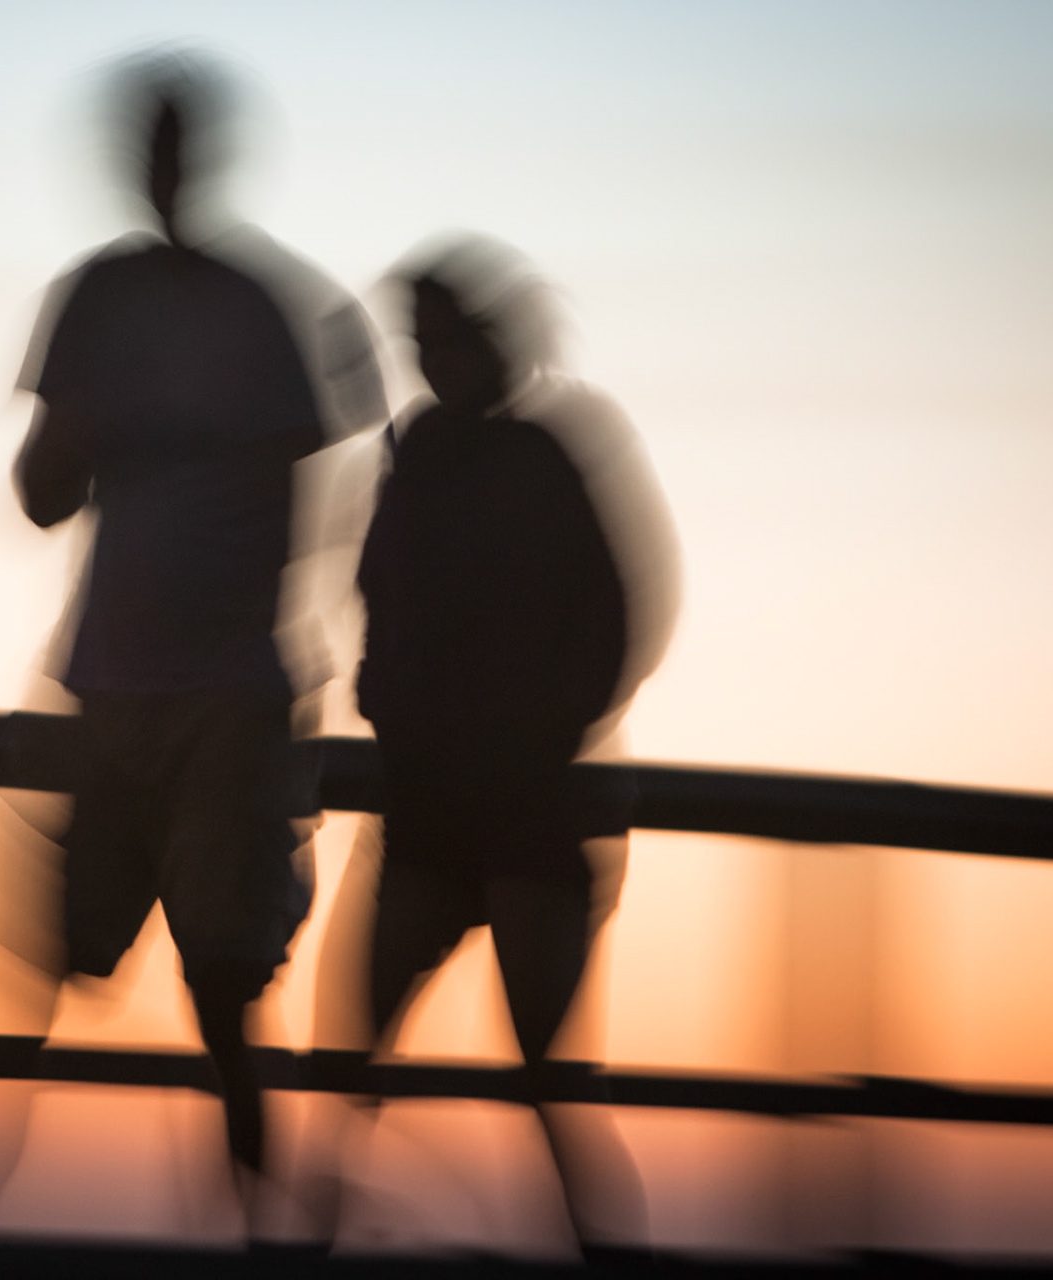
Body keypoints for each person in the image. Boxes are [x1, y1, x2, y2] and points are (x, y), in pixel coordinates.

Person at [0, 48, 383, 1216]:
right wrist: (82, 432)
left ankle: (249, 1224)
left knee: (212, 986)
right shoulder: (108, 299)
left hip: (217, 693)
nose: (158, 171)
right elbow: (43, 495)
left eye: (168, 147)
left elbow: (316, 522)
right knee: (47, 958)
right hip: (125, 684)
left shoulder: (260, 305)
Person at [344, 234, 678, 1260]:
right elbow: (374, 591)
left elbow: (627, 610)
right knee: (356, 1060)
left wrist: (543, 730)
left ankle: (598, 1250)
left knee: (545, 1078)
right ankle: (309, 1241)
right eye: (417, 341)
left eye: (441, 337)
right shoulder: (418, 451)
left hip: (528, 814)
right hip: (434, 810)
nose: (428, 359)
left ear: (489, 339)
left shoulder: (552, 448)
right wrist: (385, 698)